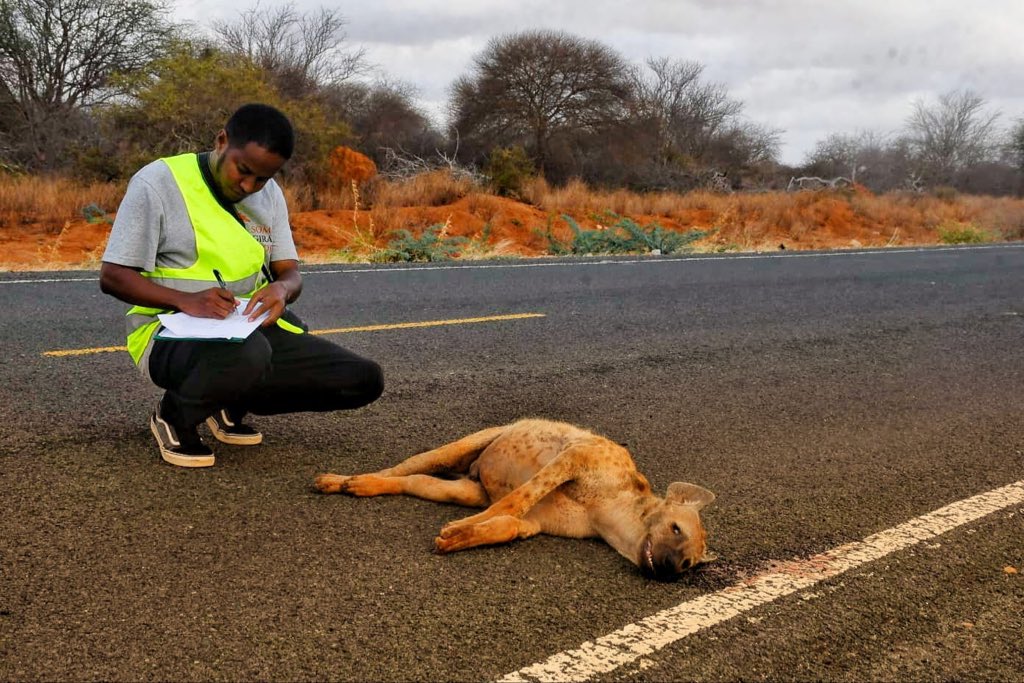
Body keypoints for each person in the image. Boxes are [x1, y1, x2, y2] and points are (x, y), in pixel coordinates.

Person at [100, 103, 384, 468]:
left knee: (362, 379)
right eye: (244, 171)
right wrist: (185, 300)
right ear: (222, 141)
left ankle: (227, 402)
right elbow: (113, 276)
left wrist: (281, 292)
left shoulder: (270, 195)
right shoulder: (158, 183)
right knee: (250, 355)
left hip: (244, 329)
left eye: (263, 179)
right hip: (166, 332)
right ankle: (174, 416)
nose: (249, 187)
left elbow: (290, 273)